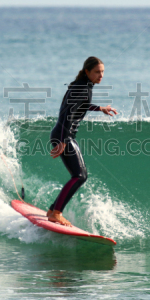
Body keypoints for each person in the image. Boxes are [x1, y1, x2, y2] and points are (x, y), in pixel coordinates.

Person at [47, 56, 118, 226]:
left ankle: (53, 210)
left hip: (63, 134)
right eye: (97, 72)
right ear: (87, 71)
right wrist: (63, 141)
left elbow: (81, 105)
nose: (101, 75)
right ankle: (56, 212)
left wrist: (99, 108)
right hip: (64, 134)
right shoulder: (83, 88)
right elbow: (68, 114)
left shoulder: (82, 86)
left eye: (102, 72)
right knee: (79, 176)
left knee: (80, 176)